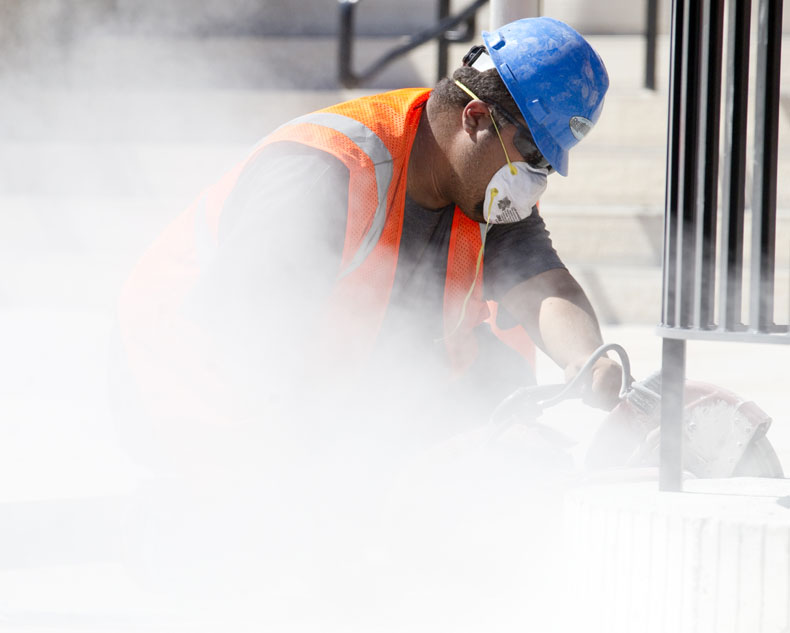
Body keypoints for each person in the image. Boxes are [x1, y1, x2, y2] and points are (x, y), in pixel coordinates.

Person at [113, 16, 621, 625]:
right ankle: (177, 532)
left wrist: (590, 364)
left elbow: (544, 284)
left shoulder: (483, 192)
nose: (536, 182)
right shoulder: (329, 170)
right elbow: (242, 342)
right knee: (283, 570)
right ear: (478, 120)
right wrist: (333, 494)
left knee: (494, 422)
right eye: (534, 154)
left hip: (312, 394)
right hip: (191, 383)